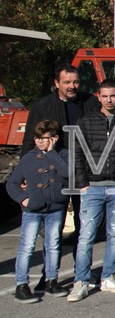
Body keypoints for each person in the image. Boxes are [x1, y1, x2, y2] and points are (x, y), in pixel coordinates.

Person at [67, 80, 115, 302]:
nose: (109, 100)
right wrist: (83, 184)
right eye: (105, 96)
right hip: (91, 188)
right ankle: (81, 281)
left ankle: (108, 277)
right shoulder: (86, 122)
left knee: (114, 235)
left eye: (113, 96)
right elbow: (77, 153)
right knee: (86, 236)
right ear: (98, 97)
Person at [21, 63, 98, 240]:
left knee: (85, 226)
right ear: (57, 83)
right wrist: (25, 171)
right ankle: (50, 266)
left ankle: (82, 266)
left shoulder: (91, 102)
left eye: (76, 82)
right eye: (67, 82)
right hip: (53, 170)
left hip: (83, 170)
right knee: (53, 225)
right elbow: (28, 140)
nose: (72, 86)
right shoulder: (42, 106)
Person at [7, 120, 71, 302]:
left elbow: (67, 172)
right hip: (32, 210)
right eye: (38, 138)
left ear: (55, 138)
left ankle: (51, 281)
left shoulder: (64, 155)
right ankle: (21, 284)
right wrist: (24, 199)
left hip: (56, 209)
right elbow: (12, 183)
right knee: (26, 247)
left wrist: (52, 153)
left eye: (46, 138)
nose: (41, 142)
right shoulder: (28, 158)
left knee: (53, 245)